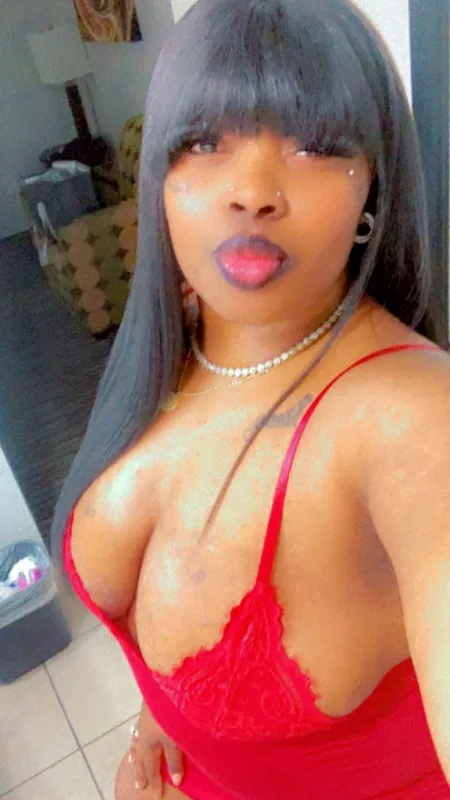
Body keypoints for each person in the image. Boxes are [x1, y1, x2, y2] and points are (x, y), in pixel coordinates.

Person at [51, 0, 450, 797]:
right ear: (161, 177)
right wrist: (164, 713)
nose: (252, 191)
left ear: (372, 188)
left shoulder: (412, 418)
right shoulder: (175, 344)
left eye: (316, 144)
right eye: (204, 141)